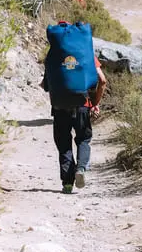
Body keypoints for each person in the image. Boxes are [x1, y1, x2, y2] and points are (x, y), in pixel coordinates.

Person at [46, 55, 107, 194]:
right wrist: (95, 103)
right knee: (83, 139)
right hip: (82, 104)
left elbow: (47, 84)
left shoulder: (53, 54)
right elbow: (102, 80)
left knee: (63, 143)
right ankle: (80, 168)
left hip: (60, 107)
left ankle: (67, 184)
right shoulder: (87, 53)